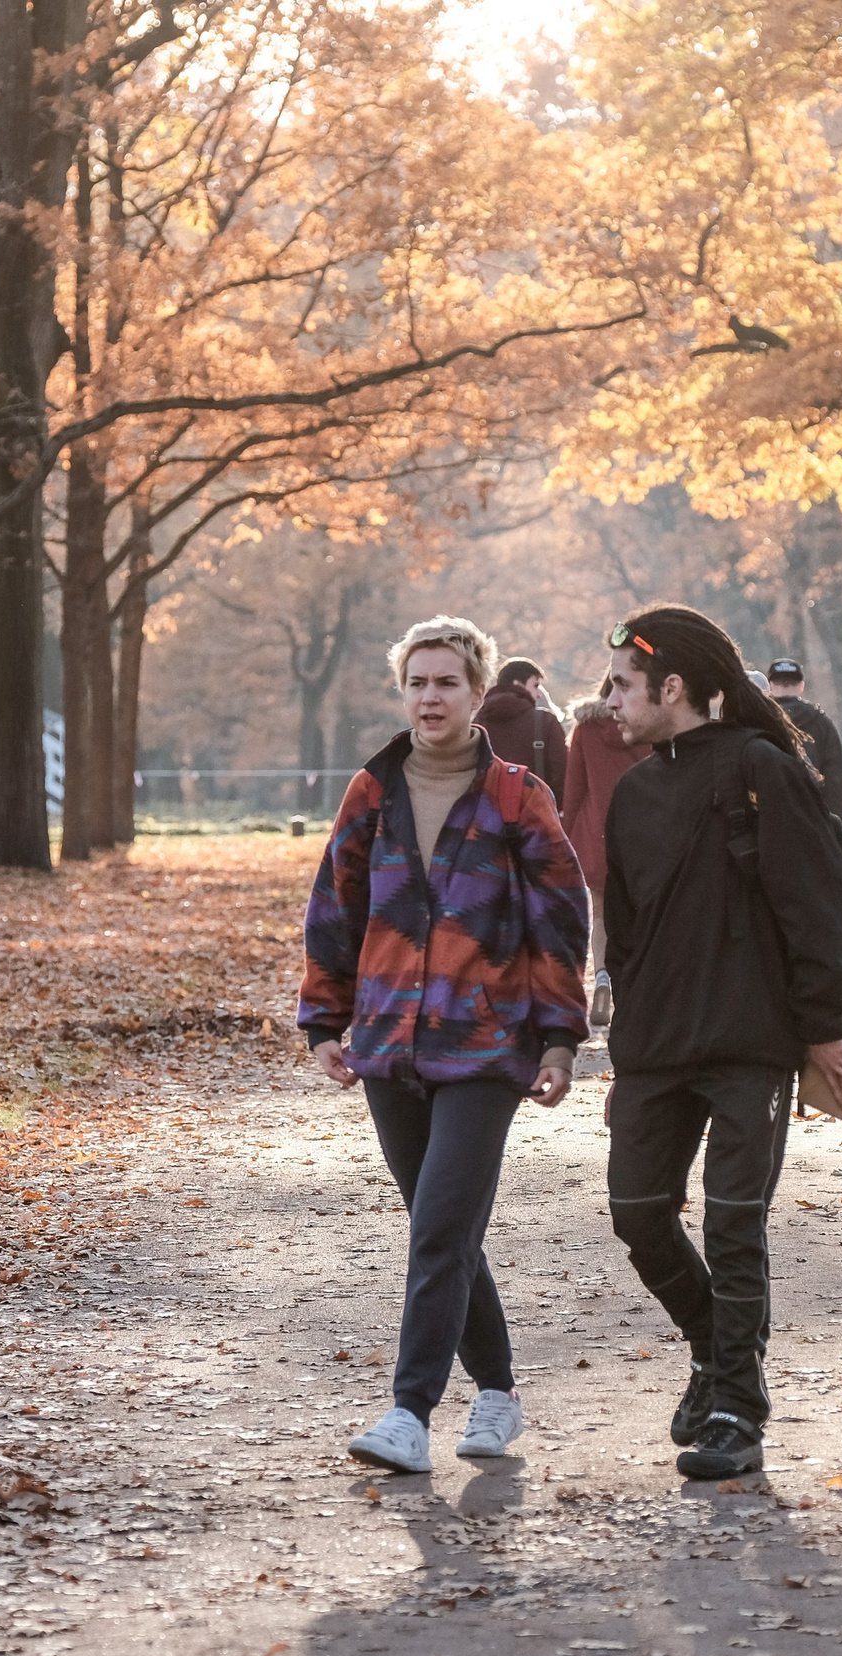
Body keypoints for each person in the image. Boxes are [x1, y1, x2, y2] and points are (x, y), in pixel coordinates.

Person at [299, 616, 589, 1474]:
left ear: (477, 693)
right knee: (443, 1226)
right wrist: (324, 1019)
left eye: (447, 682)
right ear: (405, 692)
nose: (431, 697)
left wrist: (560, 1039)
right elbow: (336, 907)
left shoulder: (516, 795)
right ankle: (497, 1393)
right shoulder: (371, 792)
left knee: (440, 1228)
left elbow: (560, 925)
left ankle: (408, 1410)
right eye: (417, 682)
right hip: (389, 1039)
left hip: (487, 1044)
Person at [602, 603, 842, 1481]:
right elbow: (628, 936)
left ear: (671, 687)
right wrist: (623, 1042)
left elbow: (819, 910)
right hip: (655, 1052)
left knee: (732, 1223)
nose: (608, 701)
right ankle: (717, 1353)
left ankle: (735, 1410)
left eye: (621, 685)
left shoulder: (762, 768)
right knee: (638, 1212)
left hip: (751, 1046)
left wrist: (825, 1029)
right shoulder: (634, 791)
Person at [561, 681, 651, 1028]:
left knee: (601, 913)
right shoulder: (648, 724)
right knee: (642, 913)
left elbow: (574, 789)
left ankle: (601, 978)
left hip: (595, 833)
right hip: (642, 834)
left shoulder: (585, 730)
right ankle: (635, 985)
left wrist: (568, 838)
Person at [766, 658, 842, 823]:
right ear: (801, 686)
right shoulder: (821, 723)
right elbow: (835, 778)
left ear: (770, 686)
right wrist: (837, 825)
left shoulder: (760, 720)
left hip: (771, 817)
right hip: (814, 817)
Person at [479, 657, 568, 792]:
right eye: (536, 686)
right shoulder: (545, 722)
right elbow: (562, 774)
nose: (538, 694)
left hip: (485, 809)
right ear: (518, 684)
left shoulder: (476, 723)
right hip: (534, 808)